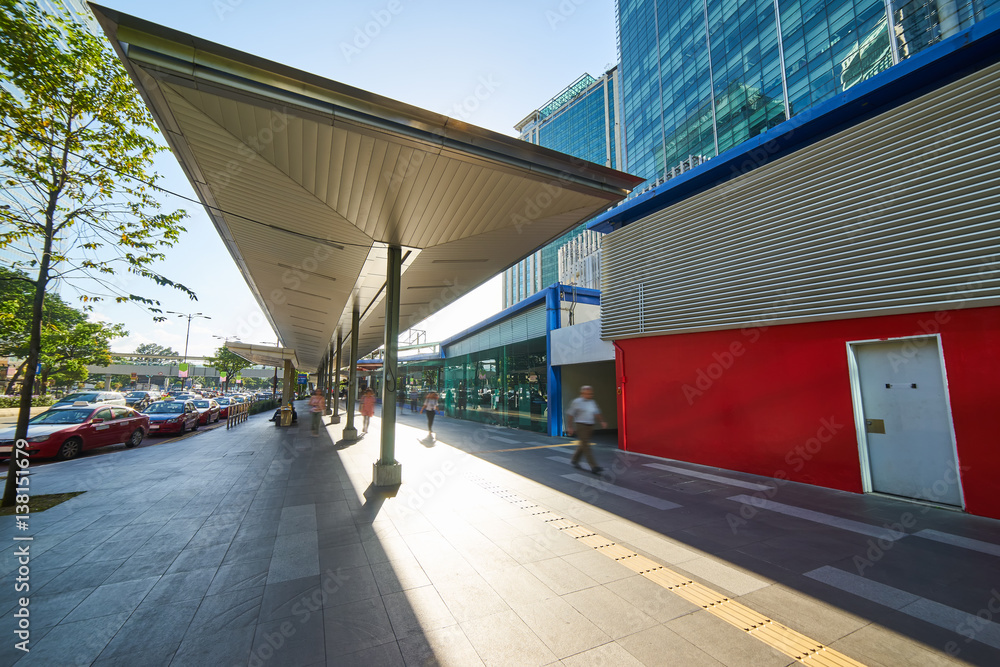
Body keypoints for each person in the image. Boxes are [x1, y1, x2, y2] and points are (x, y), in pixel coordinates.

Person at [565, 385, 606, 474]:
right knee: (586, 446)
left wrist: (602, 421)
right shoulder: (576, 402)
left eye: (591, 393)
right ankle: (594, 466)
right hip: (581, 425)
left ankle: (575, 459)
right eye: (588, 393)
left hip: (590, 425)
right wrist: (570, 427)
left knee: (583, 444)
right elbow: (570, 414)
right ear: (582, 393)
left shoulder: (592, 402)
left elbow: (597, 413)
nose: (590, 395)